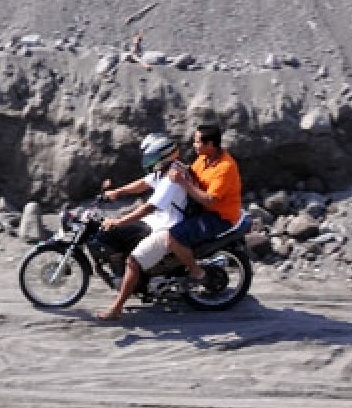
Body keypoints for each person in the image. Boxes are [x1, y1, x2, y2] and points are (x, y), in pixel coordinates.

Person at [94, 134, 189, 321]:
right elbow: (143, 183)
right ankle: (132, 279)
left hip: (168, 227)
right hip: (158, 220)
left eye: (152, 157)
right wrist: (117, 192)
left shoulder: (172, 176)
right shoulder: (163, 169)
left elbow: (149, 207)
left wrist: (119, 221)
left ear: (165, 155)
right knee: (121, 235)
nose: (149, 161)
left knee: (133, 261)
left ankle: (117, 308)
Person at [167, 124, 243, 283]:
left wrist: (182, 181)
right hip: (202, 209)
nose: (194, 145)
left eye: (197, 142)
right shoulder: (204, 158)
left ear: (210, 145)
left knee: (172, 237)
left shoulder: (225, 167)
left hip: (219, 217)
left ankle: (197, 273)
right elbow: (192, 174)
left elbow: (209, 199)